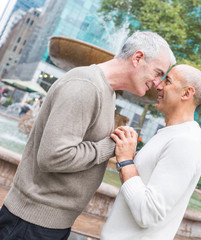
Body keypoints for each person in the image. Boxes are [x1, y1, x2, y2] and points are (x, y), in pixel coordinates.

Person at [0, 31, 176, 240]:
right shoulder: (85, 85)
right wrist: (112, 146)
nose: (157, 83)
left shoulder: (106, 90)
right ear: (137, 58)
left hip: (45, 223)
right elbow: (53, 156)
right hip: (30, 224)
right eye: (158, 72)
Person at [101, 64, 201, 240]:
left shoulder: (186, 141)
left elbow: (148, 213)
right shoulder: (172, 133)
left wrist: (126, 160)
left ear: (186, 94)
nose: (158, 85)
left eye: (167, 81)